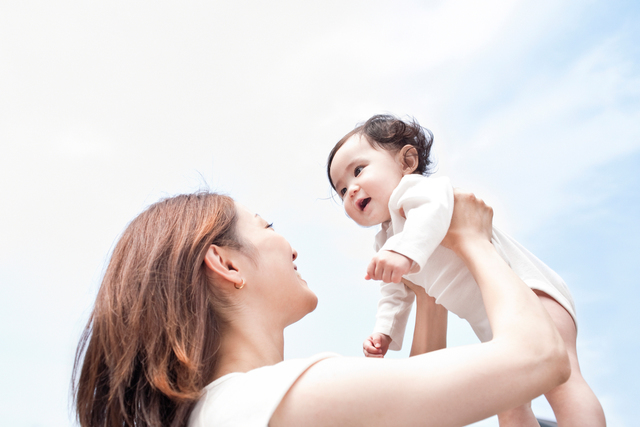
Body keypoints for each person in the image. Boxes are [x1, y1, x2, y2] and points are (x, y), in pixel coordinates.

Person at [73, 189, 570, 427]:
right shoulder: (269, 400)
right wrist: (472, 239)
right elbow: (540, 358)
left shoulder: (227, 410)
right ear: (224, 263)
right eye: (267, 227)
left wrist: (428, 295)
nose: (289, 246)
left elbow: (419, 409)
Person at [327, 114, 606, 426]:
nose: (351, 189)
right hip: (497, 318)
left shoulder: (416, 193)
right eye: (341, 190)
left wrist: (404, 253)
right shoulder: (386, 241)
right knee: (507, 399)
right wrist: (385, 332)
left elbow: (433, 214)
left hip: (532, 293)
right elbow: (393, 292)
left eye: (359, 170)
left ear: (406, 162)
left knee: (563, 380)